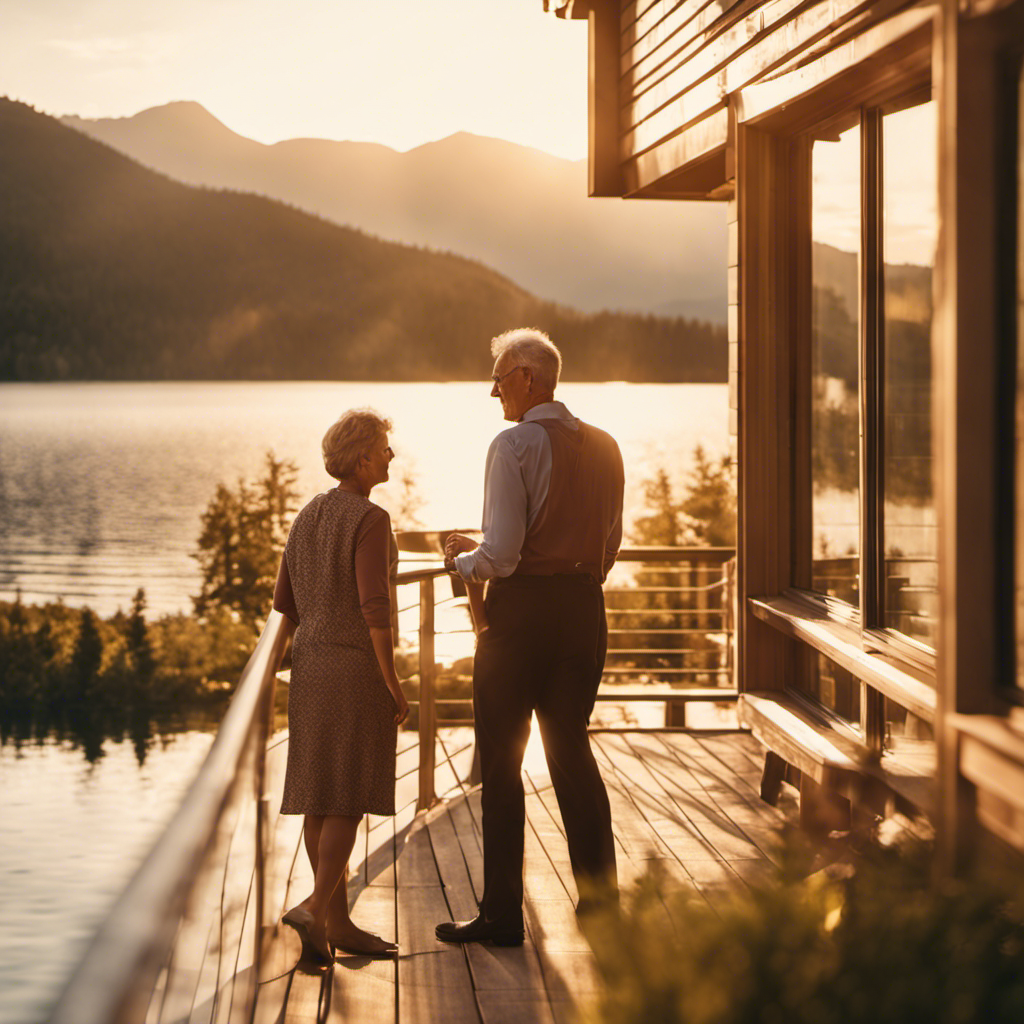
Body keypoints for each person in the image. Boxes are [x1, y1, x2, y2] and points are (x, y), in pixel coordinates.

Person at [435, 328, 623, 947]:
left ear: (526, 377)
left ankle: (501, 916)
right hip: (583, 611)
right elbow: (610, 546)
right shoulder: (606, 446)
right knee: (571, 750)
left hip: (520, 621)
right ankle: (600, 905)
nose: (493, 392)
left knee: (503, 762)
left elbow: (504, 554)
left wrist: (463, 561)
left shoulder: (512, 444)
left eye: (497, 378)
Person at [273, 408, 409, 963]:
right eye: (383, 448)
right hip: (354, 667)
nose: (390, 456)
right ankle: (313, 907)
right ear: (361, 459)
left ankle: (332, 922)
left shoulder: (308, 515)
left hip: (309, 666)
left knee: (319, 794)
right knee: (347, 797)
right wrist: (392, 682)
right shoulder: (369, 519)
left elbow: (285, 602)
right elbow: (375, 609)